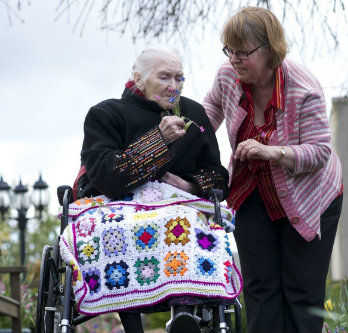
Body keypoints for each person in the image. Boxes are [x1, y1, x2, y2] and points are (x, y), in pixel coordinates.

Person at [69, 45, 239, 333]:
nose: (174, 86)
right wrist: (159, 139)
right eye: (164, 77)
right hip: (116, 206)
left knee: (182, 223)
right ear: (139, 78)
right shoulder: (106, 113)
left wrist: (189, 185)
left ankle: (184, 314)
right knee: (117, 232)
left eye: (179, 78)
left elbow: (218, 177)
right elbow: (105, 176)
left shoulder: (194, 114)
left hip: (179, 207)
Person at [203, 6, 344, 333]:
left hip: (310, 197)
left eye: (244, 52)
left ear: (270, 49)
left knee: (302, 290)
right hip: (252, 193)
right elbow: (210, 109)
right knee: (260, 289)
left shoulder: (303, 87)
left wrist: (273, 152)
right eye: (230, 51)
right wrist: (187, 136)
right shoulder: (228, 76)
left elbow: (320, 151)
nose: (235, 59)